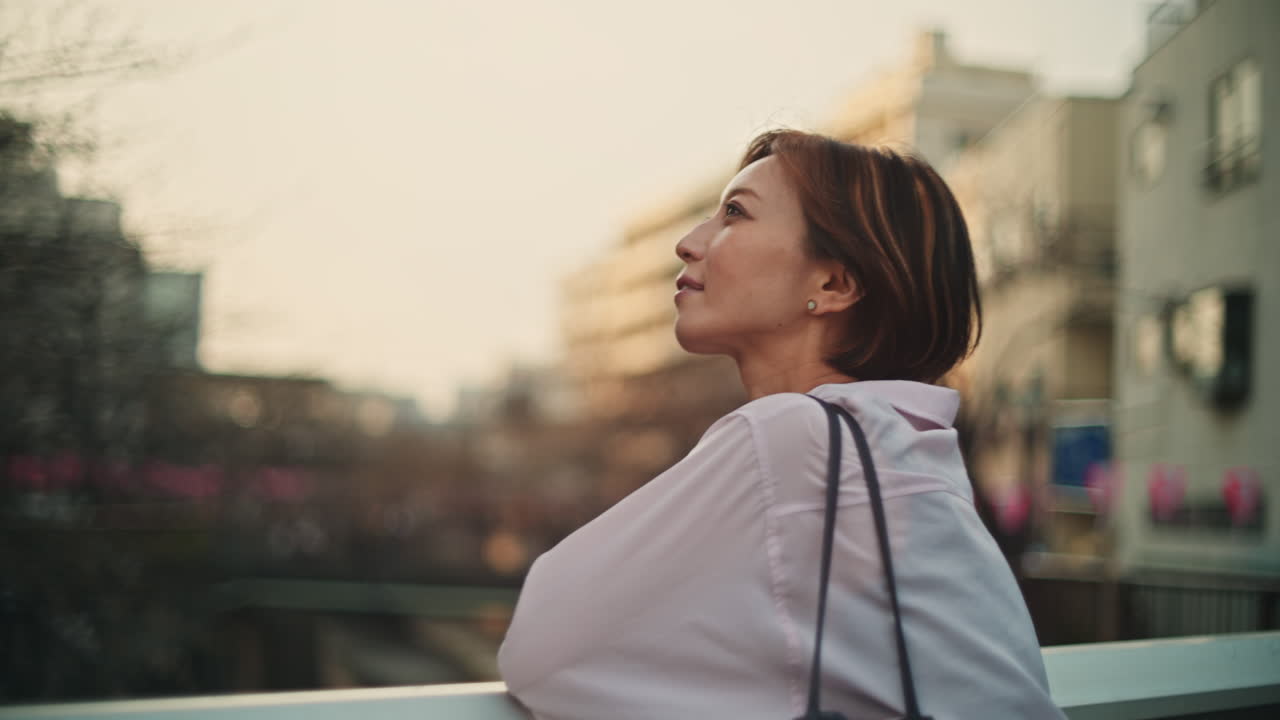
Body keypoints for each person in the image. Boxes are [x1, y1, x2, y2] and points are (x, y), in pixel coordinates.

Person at [498, 130, 1064, 719]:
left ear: (834, 284)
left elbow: (541, 644)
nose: (689, 244)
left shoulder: (796, 439)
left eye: (735, 214)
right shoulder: (900, 445)